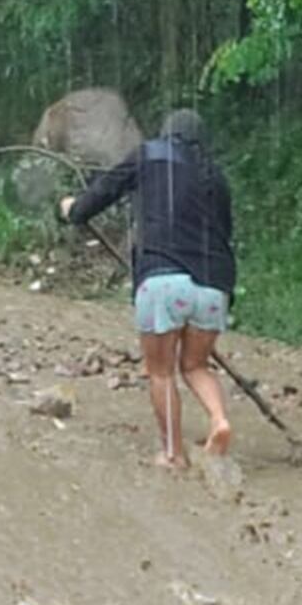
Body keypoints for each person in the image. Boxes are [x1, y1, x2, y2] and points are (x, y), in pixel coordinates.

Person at [60, 108, 235, 470]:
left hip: (163, 280)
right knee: (197, 365)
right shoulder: (214, 176)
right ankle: (219, 419)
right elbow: (225, 233)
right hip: (214, 286)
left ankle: (173, 453)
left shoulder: (149, 154)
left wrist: (70, 208)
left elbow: (95, 200)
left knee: (161, 372)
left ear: (166, 134)